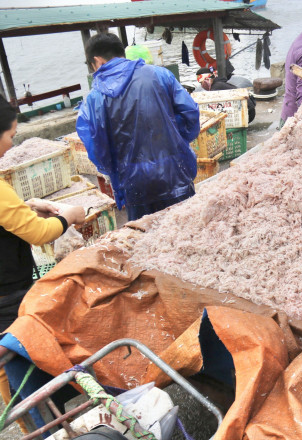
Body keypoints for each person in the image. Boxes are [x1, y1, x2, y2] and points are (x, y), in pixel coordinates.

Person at [0, 96, 85, 431]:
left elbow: (10, 217)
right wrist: (68, 217)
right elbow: (38, 233)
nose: (11, 145)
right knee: (16, 360)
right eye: (9, 136)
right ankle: (41, 426)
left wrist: (27, 205)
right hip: (6, 294)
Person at [77, 32, 200, 221]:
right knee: (187, 233)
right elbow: (190, 113)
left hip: (135, 185)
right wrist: (176, 141)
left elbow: (98, 149)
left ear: (97, 61)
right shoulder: (160, 75)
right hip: (175, 174)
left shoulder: (95, 98)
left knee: (145, 241)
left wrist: (115, 173)